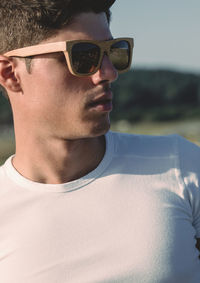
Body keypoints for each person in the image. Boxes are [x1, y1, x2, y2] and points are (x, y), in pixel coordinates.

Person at [0, 0, 199, 282]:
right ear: (10, 74)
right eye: (82, 56)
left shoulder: (181, 166)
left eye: (113, 52)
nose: (108, 73)